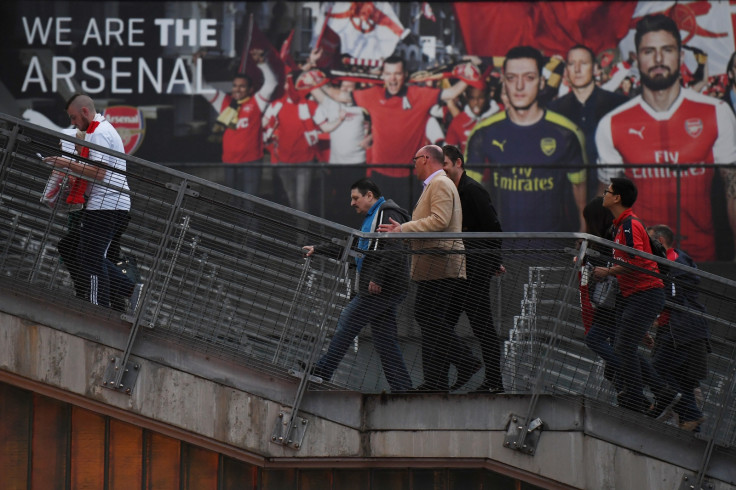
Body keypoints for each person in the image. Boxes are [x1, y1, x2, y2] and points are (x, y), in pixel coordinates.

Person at [595, 14, 736, 263]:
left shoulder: (716, 112)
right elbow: (606, 202)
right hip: (638, 262)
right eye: (649, 51)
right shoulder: (612, 123)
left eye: (667, 49)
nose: (659, 59)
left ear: (680, 56)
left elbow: (732, 191)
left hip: (703, 262)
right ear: (637, 59)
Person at [377, 145, 474, 392]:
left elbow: (439, 221)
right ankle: (436, 381)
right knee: (431, 319)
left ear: (426, 159)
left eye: (415, 159)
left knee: (427, 317)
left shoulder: (440, 183)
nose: (413, 164)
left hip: (439, 262)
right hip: (435, 262)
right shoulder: (437, 184)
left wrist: (403, 229)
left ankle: (465, 360)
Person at [302, 178, 412, 392]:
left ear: (369, 195)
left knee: (348, 319)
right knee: (385, 341)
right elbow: (355, 245)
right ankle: (403, 388)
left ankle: (323, 371)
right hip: (383, 287)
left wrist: (378, 277)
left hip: (382, 288)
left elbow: (395, 249)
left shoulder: (387, 213)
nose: (352, 203)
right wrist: (319, 249)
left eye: (356, 198)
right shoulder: (373, 216)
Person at [465, 45, 587, 233]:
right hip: (501, 248)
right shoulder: (483, 133)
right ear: (504, 82)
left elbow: (579, 187)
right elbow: (468, 194)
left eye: (529, 78)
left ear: (542, 82)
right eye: (512, 78)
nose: (519, 86)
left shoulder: (567, 133)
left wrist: (583, 230)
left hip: (553, 247)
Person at [317, 55, 469, 201]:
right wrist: (316, 81)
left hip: (410, 176)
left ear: (405, 75)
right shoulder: (373, 95)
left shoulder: (420, 95)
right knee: (381, 223)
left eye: (397, 73)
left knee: (408, 223)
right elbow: (340, 96)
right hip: (380, 175)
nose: (393, 78)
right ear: (382, 76)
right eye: (388, 73)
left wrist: (468, 77)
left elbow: (451, 92)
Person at [592, 177, 680, 416]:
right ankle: (659, 394)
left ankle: (643, 396)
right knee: (623, 347)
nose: (604, 195)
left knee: (623, 348)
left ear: (617, 197)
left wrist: (607, 271)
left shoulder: (630, 224)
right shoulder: (621, 225)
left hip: (646, 293)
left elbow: (637, 260)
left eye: (607, 191)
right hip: (637, 295)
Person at [45, 94, 135, 310]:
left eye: (74, 117)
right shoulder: (99, 130)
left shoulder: (99, 132)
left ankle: (98, 308)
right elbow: (98, 170)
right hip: (108, 203)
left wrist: (64, 162)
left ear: (85, 111)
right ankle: (128, 291)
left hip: (107, 204)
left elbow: (99, 173)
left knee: (91, 258)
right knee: (87, 255)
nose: (73, 122)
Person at [442, 144, 505, 393]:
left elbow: (493, 228)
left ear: (459, 163)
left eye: (445, 164)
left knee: (483, 328)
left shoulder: (473, 190)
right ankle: (448, 375)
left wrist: (491, 262)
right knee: (442, 323)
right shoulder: (451, 191)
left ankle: (494, 381)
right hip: (457, 269)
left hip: (474, 269)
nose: (442, 170)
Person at [648, 224, 710, 432]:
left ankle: (691, 415)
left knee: (656, 369)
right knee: (683, 380)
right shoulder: (674, 261)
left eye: (648, 241)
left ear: (660, 242)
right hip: (678, 329)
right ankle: (691, 427)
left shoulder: (673, 263)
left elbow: (670, 296)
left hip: (681, 330)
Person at [548, 45, 629, 200]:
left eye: (583, 63)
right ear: (566, 70)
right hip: (566, 198)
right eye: (572, 64)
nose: (577, 69)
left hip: (613, 196)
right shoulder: (553, 110)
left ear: (596, 68)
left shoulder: (618, 106)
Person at [202, 49, 277, 196]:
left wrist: (262, 63)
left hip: (252, 162)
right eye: (235, 85)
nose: (237, 89)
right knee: (234, 205)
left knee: (249, 204)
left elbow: (272, 84)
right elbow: (202, 87)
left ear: (250, 90)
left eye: (242, 86)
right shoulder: (224, 102)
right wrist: (196, 64)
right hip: (230, 162)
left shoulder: (256, 102)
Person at [262, 71, 327, 212]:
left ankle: (302, 234)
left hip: (305, 162)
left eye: (288, 82)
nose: (286, 86)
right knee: (292, 198)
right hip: (283, 161)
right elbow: (261, 124)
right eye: (285, 83)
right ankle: (298, 230)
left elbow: (325, 128)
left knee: (301, 199)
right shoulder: (276, 105)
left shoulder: (311, 105)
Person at [445, 85, 500, 155]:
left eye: (480, 98)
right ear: (467, 98)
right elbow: (448, 157)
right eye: (472, 98)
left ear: (488, 97)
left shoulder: (501, 115)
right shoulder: (458, 121)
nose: (476, 102)